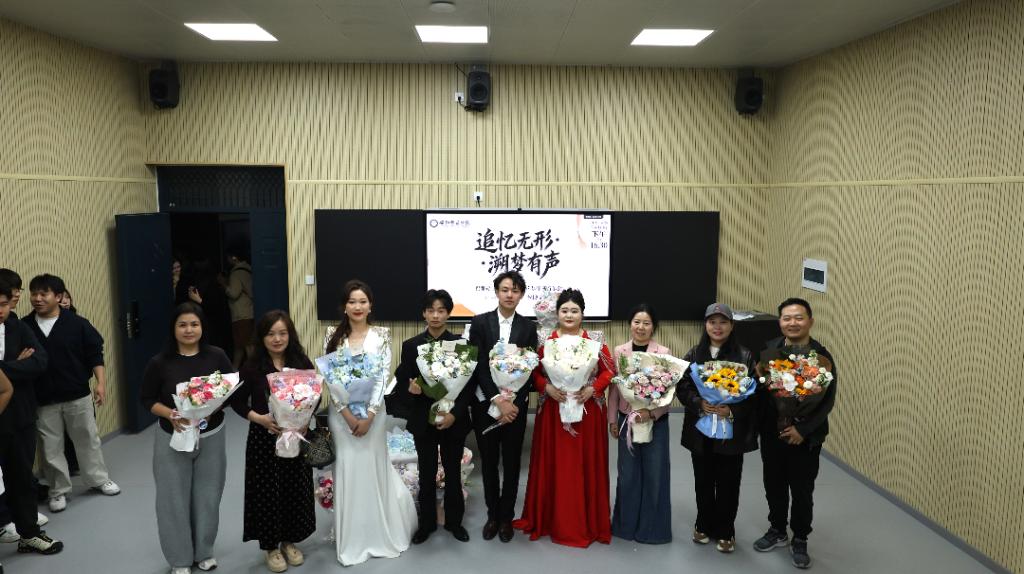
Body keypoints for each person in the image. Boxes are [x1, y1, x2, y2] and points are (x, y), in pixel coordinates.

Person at [323, 280, 415, 566]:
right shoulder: (333, 335)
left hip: (374, 416)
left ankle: (378, 532)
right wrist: (347, 414)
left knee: (372, 468)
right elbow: (331, 379)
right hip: (342, 418)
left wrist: (370, 415)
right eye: (352, 301)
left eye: (362, 301)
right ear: (344, 306)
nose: (357, 306)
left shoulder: (382, 335)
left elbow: (382, 377)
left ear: (370, 305)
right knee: (348, 469)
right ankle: (351, 536)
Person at [513, 288, 613, 548]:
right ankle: (551, 520)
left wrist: (593, 389)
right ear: (557, 314)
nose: (569, 315)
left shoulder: (595, 340)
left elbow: (608, 370)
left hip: (586, 411)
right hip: (553, 411)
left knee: (583, 466)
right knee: (556, 465)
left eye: (574, 311)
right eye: (564, 310)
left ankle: (584, 523)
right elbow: (533, 372)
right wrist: (545, 387)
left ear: (582, 314)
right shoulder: (546, 340)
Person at [140, 302, 234, 574]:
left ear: (203, 327)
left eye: (194, 324)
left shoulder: (217, 356)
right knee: (173, 498)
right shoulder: (159, 362)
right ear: (173, 328)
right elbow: (146, 399)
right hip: (173, 435)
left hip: (211, 435)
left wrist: (211, 408)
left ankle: (204, 551)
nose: (189, 330)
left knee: (208, 496)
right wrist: (170, 414)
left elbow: (230, 393)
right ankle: (179, 559)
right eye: (182, 324)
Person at [753, 298, 837, 570]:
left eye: (799, 318)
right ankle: (777, 529)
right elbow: (763, 393)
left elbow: (826, 401)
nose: (793, 323)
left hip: (805, 437)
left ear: (810, 321)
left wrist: (802, 429)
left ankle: (800, 537)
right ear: (780, 322)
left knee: (802, 489)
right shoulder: (769, 350)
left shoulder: (820, 357)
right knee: (773, 484)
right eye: (787, 318)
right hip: (772, 433)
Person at [24, 274, 120, 514]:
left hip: (77, 393)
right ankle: (58, 490)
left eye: (44, 294)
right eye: (34, 293)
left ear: (58, 297)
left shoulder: (77, 324)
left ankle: (98, 479)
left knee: (87, 439)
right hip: (43, 398)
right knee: (51, 447)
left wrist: (101, 383)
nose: (37, 298)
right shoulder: (25, 326)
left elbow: (95, 354)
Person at [232, 310, 315, 573]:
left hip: (296, 436)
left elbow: (315, 395)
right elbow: (236, 401)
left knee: (294, 488)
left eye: (282, 333)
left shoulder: (301, 362)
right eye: (270, 334)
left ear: (290, 335)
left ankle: (289, 541)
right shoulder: (252, 366)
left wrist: (305, 418)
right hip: (263, 438)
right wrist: (258, 418)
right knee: (266, 492)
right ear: (262, 337)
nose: (277, 339)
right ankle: (270, 547)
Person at [394, 289, 472, 544]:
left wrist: (454, 415)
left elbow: (467, 387)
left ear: (449, 313)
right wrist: (412, 390)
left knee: (453, 471)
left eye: (441, 310)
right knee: (426, 473)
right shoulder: (411, 346)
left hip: (452, 420)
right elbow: (403, 382)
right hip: (423, 420)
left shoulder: (461, 345)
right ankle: (426, 524)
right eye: (431, 310)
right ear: (424, 313)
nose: (436, 315)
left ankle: (454, 522)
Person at [679, 302, 757, 553]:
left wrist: (731, 410)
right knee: (703, 479)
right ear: (705, 325)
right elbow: (683, 386)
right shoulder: (694, 354)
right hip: (701, 428)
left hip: (731, 432)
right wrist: (699, 402)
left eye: (723, 322)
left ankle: (726, 530)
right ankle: (703, 524)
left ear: (732, 326)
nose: (717, 327)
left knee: (728, 481)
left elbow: (754, 394)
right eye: (712, 322)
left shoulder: (745, 356)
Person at [467, 271, 539, 542]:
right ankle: (492, 515)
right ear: (497, 292)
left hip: (515, 409)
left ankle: (507, 517)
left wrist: (513, 403)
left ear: (521, 295)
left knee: (511, 462)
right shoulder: (480, 323)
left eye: (515, 290)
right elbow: (478, 366)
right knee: (488, 462)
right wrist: (497, 399)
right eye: (505, 289)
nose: (510, 295)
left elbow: (530, 368)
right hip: (486, 405)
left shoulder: (528, 327)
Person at [0, 278, 62, 555]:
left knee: (21, 478)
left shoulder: (18, 327)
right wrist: (17, 365)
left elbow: (39, 361)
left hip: (20, 416)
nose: (1, 310)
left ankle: (29, 534)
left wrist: (4, 369)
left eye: (4, 304)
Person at [607, 303, 673, 544]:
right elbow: (615, 390)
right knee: (628, 474)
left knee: (655, 473)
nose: (641, 327)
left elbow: (669, 392)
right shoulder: (620, 351)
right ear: (630, 324)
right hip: (626, 419)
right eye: (637, 322)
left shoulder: (663, 352)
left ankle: (653, 531)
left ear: (653, 327)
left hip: (655, 421)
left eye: (646, 323)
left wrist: (652, 413)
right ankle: (625, 527)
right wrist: (612, 419)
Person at [220, 246, 254, 369]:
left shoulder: (236, 273)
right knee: (241, 344)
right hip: (248, 312)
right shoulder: (248, 270)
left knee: (247, 345)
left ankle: (253, 369)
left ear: (234, 258)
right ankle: (234, 368)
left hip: (241, 314)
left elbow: (234, 293)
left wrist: (223, 283)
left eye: (228, 257)